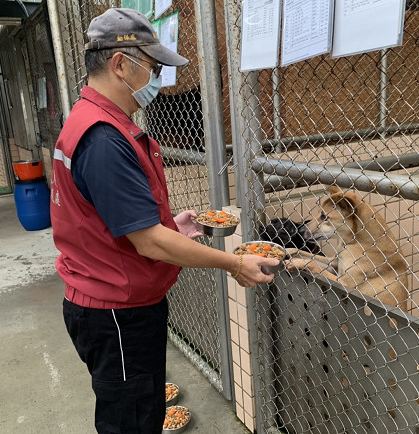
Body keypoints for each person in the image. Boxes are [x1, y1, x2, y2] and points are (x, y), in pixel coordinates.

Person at [50, 8, 278, 434]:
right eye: (152, 67)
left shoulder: (92, 122)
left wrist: (170, 225)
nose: (156, 79)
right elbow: (149, 243)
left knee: (142, 411)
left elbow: (108, 220)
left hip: (110, 294)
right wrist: (233, 263)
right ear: (120, 65)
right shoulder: (103, 139)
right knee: (132, 421)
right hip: (117, 311)